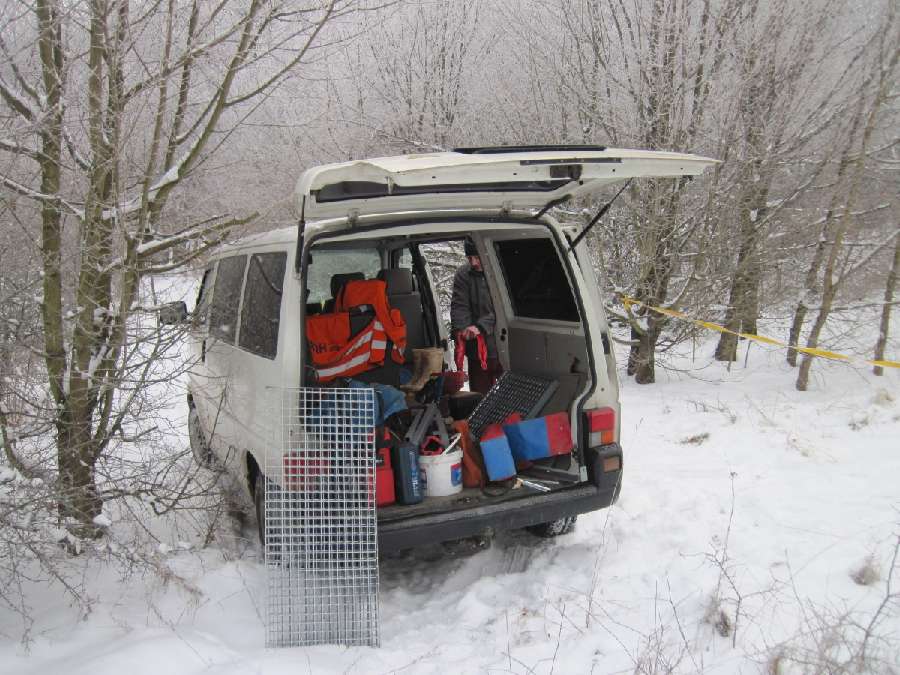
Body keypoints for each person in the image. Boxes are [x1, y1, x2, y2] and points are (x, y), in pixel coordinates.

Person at [450, 238, 503, 394]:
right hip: (477, 352)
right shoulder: (463, 274)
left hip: (503, 345)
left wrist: (481, 326)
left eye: (477, 257)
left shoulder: (501, 271)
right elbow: (459, 306)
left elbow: (503, 309)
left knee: (509, 396)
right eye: (469, 258)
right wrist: (462, 330)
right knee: (479, 396)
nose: (473, 262)